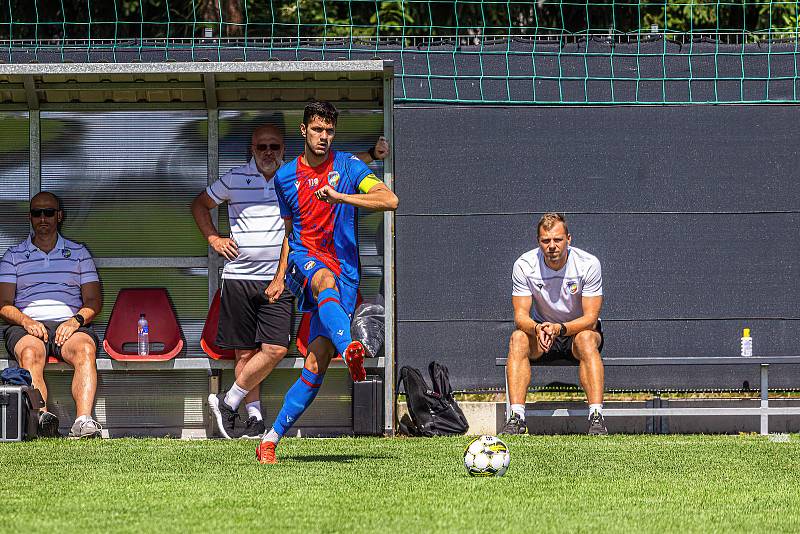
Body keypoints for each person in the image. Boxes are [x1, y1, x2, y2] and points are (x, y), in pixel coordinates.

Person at [193, 123, 390, 439]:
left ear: (284, 149)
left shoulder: (293, 176)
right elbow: (199, 204)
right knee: (244, 353)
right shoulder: (234, 178)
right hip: (238, 277)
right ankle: (254, 418)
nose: (268, 153)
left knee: (273, 349)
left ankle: (228, 400)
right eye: (261, 147)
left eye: (274, 147)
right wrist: (214, 239)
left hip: (282, 278)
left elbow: (338, 169)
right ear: (252, 150)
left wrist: (372, 154)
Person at [256, 101, 398, 464]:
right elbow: (291, 233)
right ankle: (351, 347)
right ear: (303, 131)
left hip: (346, 270)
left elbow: (389, 199)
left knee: (315, 366)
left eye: (329, 131)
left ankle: (269, 439)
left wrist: (340, 197)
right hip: (309, 261)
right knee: (321, 279)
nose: (323, 137)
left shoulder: (349, 167)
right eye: (317, 130)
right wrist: (278, 275)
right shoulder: (286, 177)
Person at [0, 191, 103, 438]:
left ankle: (83, 422)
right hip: (27, 325)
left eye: (48, 212)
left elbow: (93, 301)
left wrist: (75, 321)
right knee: (30, 353)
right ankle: (42, 422)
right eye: (37, 213)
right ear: (30, 217)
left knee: (85, 350)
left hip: (70, 325)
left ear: (59, 216)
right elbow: (3, 304)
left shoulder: (79, 253)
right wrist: (27, 321)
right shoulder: (13, 256)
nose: (43, 218)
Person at [500, 212, 607, 436]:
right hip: (543, 335)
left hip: (577, 334)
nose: (551, 246)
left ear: (569, 239)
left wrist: (561, 328)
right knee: (518, 338)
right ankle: (517, 417)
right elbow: (520, 316)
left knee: (588, 338)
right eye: (545, 241)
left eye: (557, 240)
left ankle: (597, 417)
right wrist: (538, 329)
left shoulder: (588, 264)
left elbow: (590, 318)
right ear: (538, 242)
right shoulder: (524, 264)